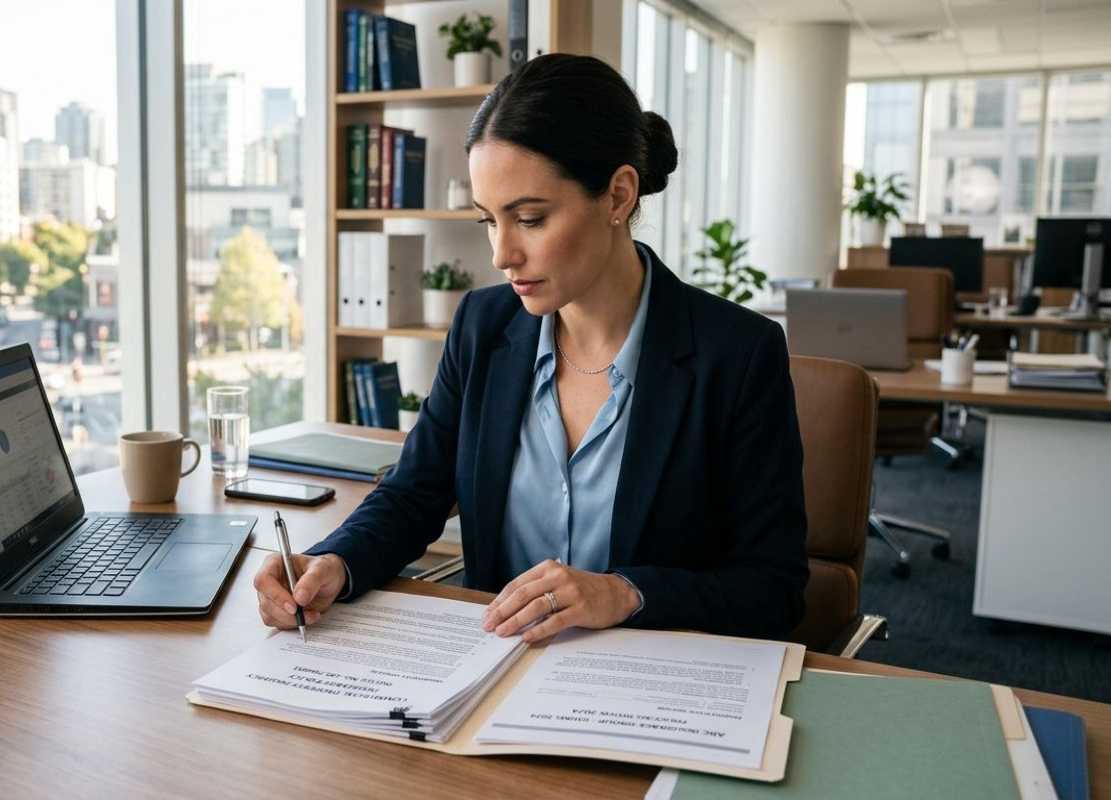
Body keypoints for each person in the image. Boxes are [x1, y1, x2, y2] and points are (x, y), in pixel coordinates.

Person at [255, 54, 808, 644]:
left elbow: (772, 590)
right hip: (492, 667)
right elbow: (414, 493)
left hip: (649, 677)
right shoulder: (482, 326)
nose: (502, 254)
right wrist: (335, 562)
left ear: (618, 196)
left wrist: (623, 592)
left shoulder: (738, 354)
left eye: (529, 218)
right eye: (489, 221)